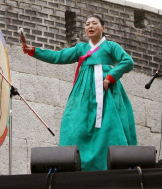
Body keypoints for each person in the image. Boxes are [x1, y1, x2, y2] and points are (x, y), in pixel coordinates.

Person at [21, 15, 137, 171]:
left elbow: (128, 61)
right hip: (84, 91)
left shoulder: (111, 46)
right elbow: (58, 56)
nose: (90, 26)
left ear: (103, 28)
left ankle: (110, 163)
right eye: (87, 24)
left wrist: (110, 77)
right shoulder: (82, 48)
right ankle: (76, 162)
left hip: (105, 90)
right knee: (76, 123)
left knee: (109, 124)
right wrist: (34, 51)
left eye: (94, 23)